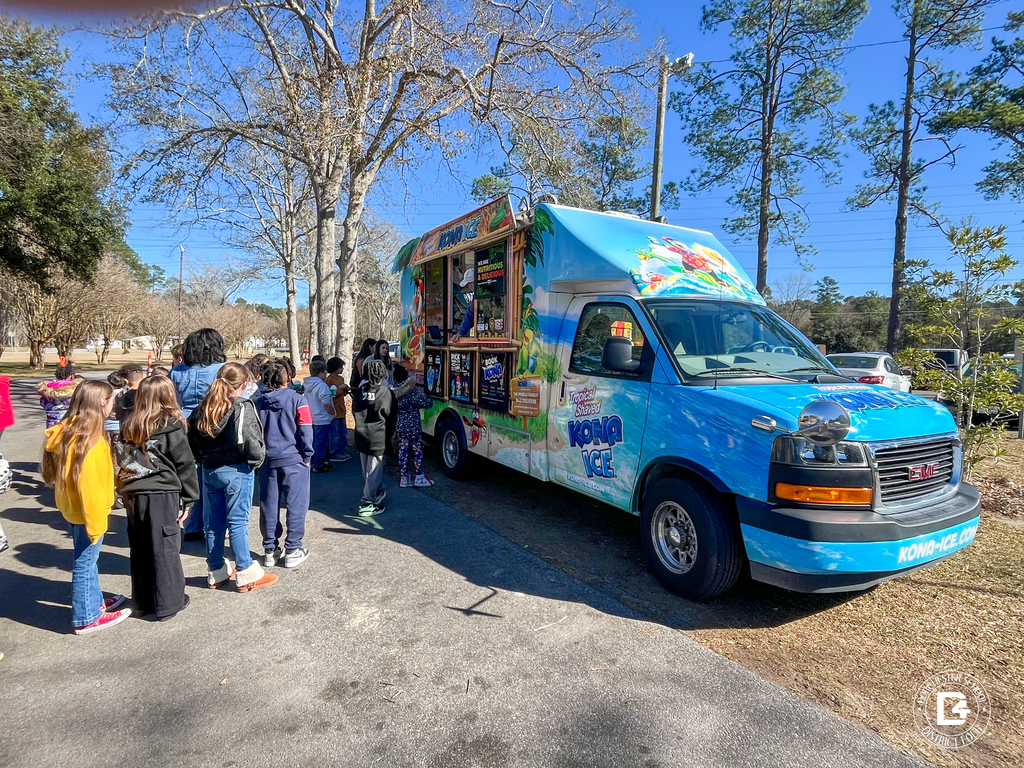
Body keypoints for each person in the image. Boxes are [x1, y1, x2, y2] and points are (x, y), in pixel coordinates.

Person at [41, 380, 132, 635]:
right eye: (111, 399)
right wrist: (96, 524)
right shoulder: (89, 442)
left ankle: (94, 600)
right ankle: (86, 617)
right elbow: (89, 489)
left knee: (88, 560)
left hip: (73, 508)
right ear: (103, 403)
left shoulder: (72, 430)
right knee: (85, 562)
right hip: (87, 513)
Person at [115, 376, 199, 621]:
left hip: (133, 491)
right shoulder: (171, 425)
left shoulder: (128, 423)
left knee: (140, 547)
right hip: (161, 492)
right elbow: (184, 464)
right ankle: (168, 602)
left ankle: (143, 601)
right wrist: (190, 497)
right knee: (164, 547)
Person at [188, 363, 275, 593]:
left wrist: (203, 460)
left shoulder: (202, 408)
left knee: (214, 523)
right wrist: (255, 462)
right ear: (243, 385)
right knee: (237, 523)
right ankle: (245, 571)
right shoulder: (242, 406)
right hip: (237, 468)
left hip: (209, 468)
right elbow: (251, 439)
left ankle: (216, 570)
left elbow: (192, 440)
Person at [171, 329, 227, 540]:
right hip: (214, 423)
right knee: (214, 476)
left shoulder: (177, 371)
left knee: (190, 475)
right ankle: (216, 523)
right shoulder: (221, 370)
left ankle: (193, 524)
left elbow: (172, 399)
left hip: (184, 424)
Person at [256, 362, 313, 569]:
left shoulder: (257, 402)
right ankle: (293, 548)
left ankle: (270, 549)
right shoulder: (299, 401)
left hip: (267, 460)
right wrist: (307, 455)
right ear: (286, 378)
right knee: (296, 505)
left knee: (269, 504)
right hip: (294, 458)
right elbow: (306, 430)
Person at [352, 359, 393, 517]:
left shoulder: (360, 391)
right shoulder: (386, 393)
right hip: (378, 436)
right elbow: (391, 416)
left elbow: (354, 410)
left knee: (366, 469)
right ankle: (368, 500)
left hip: (362, 433)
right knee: (374, 469)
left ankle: (374, 489)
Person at [392, 365, 433, 488]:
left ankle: (404, 477)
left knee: (403, 451)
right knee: (417, 449)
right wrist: (431, 399)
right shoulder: (410, 390)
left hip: (400, 425)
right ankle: (419, 476)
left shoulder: (392, 390)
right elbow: (424, 403)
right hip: (413, 426)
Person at [303, 359, 336, 473]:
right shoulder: (322, 386)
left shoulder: (306, 384)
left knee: (312, 441)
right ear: (322, 372)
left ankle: (311, 461)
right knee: (321, 442)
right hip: (322, 418)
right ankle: (318, 464)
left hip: (310, 416)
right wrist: (332, 413)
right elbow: (326, 403)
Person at [38, 361, 80, 429]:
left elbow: (43, 403)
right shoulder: (75, 392)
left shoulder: (46, 392)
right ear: (71, 376)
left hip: (52, 426)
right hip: (69, 426)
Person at [324, 357, 351, 463]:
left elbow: (341, 394)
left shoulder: (341, 379)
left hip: (341, 409)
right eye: (341, 367)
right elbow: (330, 395)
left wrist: (345, 390)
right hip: (333, 411)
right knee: (334, 434)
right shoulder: (329, 380)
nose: (342, 369)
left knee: (343, 433)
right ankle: (334, 453)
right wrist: (340, 388)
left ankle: (342, 451)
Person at [451, 268, 475, 341]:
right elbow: (469, 315)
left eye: (468, 284)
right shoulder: (476, 298)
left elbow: (470, 315)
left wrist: (460, 332)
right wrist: (460, 332)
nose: (468, 287)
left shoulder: (478, 297)